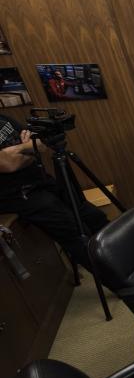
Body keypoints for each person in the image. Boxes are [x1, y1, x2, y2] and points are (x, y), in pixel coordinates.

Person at [0, 114, 107, 269]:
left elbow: (41, 144)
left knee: (94, 216)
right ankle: (123, 284)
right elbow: (9, 164)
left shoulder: (3, 117)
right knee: (76, 231)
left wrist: (20, 150)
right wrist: (27, 148)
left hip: (41, 180)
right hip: (17, 196)